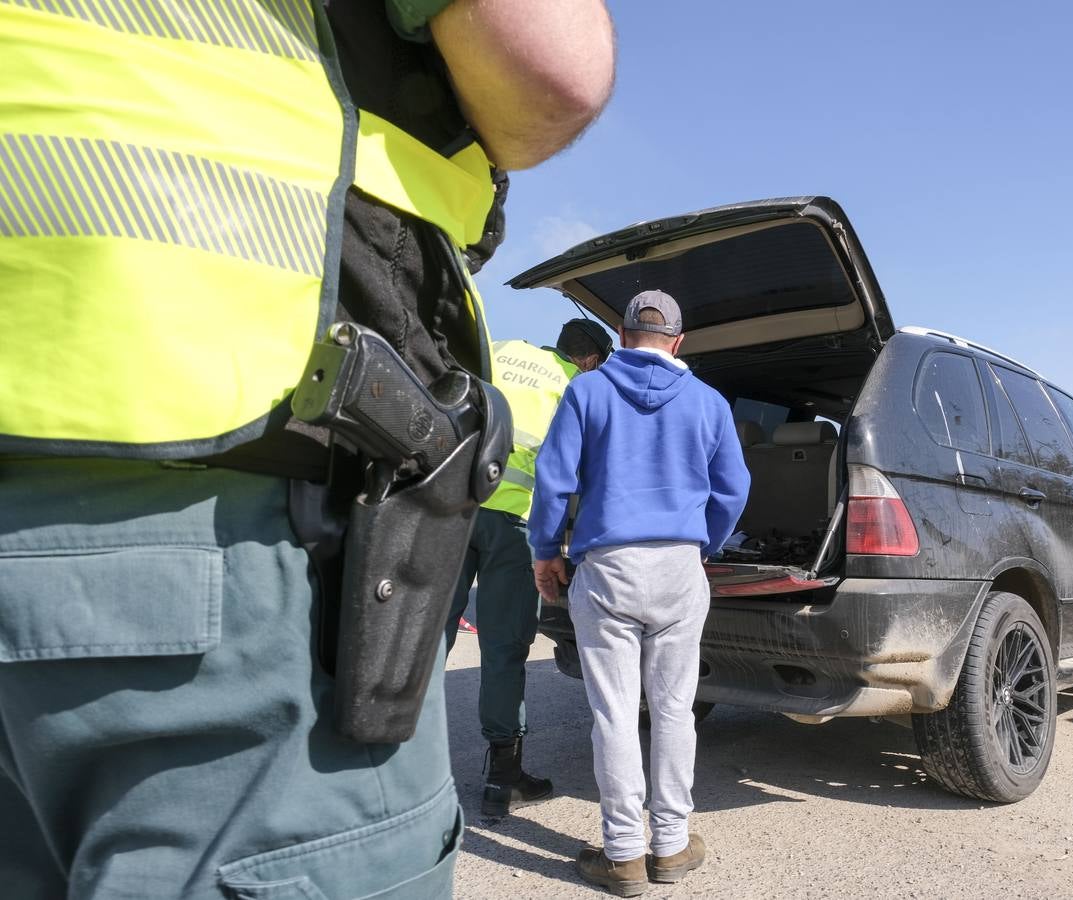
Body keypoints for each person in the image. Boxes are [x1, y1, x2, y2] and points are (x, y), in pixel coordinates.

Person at [0, 1, 614, 897]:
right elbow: (555, 72)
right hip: (240, 467)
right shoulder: (592, 388)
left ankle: (501, 766)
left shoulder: (540, 365)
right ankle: (528, 772)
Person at [530, 291, 751, 896]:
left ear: (622, 336)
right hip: (680, 568)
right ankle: (673, 846)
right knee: (675, 708)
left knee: (616, 711)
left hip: (608, 566)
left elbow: (553, 482)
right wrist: (700, 543)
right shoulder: (708, 403)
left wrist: (545, 552)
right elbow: (733, 488)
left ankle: (624, 854)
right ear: (679, 343)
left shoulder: (588, 391)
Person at [445, 318, 613, 817]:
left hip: (451, 513)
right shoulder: (573, 391)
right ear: (588, 361)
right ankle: (503, 778)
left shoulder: (498, 351)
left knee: (426, 640)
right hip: (514, 525)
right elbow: (577, 475)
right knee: (502, 648)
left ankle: (401, 765)